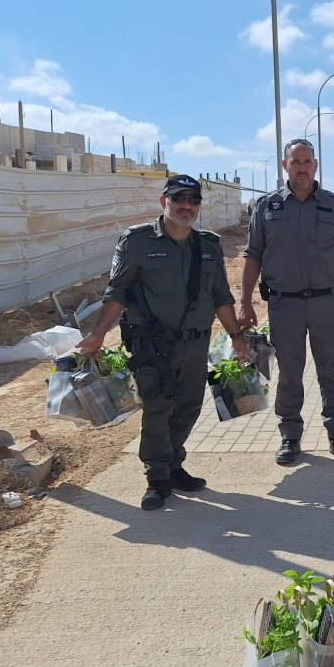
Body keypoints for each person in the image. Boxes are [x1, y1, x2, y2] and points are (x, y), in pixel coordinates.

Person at [78, 174, 249, 510]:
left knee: (188, 406)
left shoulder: (210, 246)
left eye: (193, 201)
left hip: (196, 343)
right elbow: (117, 292)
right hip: (152, 344)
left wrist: (236, 336)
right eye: (178, 199)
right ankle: (156, 478)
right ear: (164, 202)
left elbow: (221, 296)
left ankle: (173, 465)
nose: (186, 206)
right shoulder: (138, 241)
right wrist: (98, 333)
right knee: (158, 407)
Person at [239, 138, 334, 466]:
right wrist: (244, 301)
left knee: (331, 371)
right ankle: (290, 437)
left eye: (307, 161)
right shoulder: (267, 207)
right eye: (295, 162)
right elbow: (253, 255)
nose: (302, 167)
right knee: (289, 373)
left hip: (327, 303)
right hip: (284, 305)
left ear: (315, 165)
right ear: (285, 165)